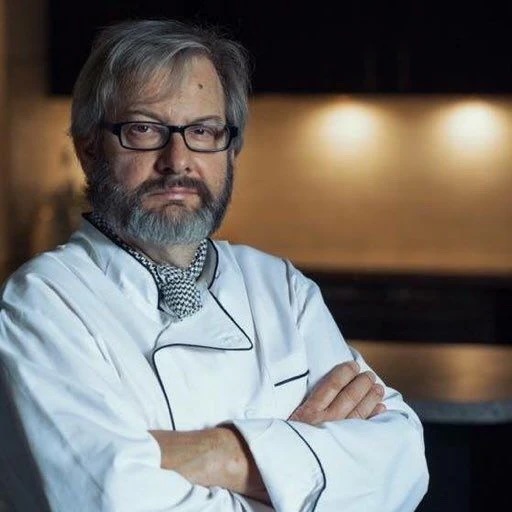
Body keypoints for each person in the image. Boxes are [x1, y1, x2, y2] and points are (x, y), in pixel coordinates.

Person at [0, 18, 428, 511]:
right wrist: (298, 461)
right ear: (89, 148)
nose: (178, 159)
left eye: (203, 131)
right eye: (144, 129)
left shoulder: (282, 289)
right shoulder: (42, 304)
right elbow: (110, 502)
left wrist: (216, 453)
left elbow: (401, 465)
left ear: (230, 149)